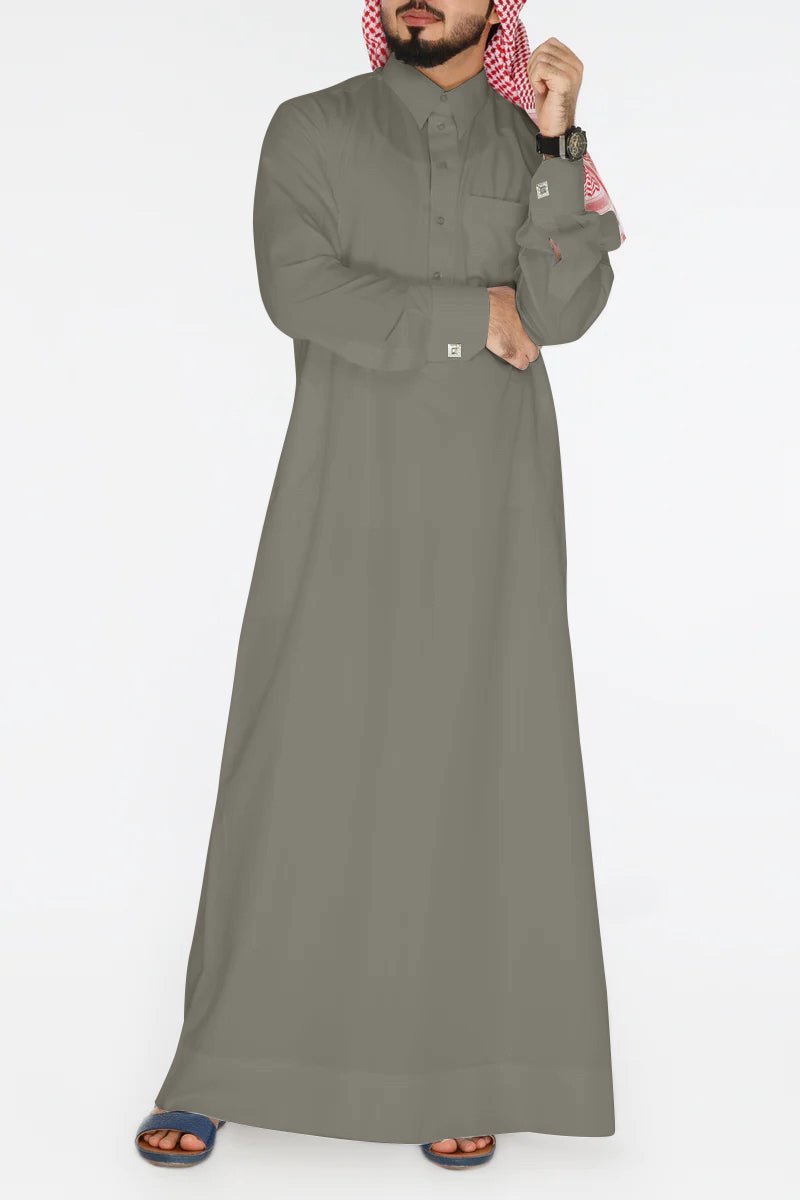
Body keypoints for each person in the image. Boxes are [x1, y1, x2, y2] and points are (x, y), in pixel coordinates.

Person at [134, 0, 625, 1171]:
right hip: (340, 493)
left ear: (496, 7)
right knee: (293, 763)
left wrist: (557, 142)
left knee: (476, 770)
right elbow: (299, 290)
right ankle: (219, 1065)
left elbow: (561, 311)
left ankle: (458, 1064)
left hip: (493, 512)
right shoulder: (312, 128)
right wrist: (470, 313)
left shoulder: (533, 141)